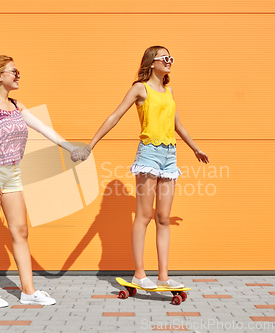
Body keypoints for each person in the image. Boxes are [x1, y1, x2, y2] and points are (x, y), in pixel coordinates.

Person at [74, 46, 209, 289]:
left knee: (164, 218)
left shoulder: (168, 91)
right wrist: (90, 145)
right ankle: (139, 274)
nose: (170, 62)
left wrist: (195, 148)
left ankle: (164, 277)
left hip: (170, 155)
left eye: (171, 58)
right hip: (149, 154)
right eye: (165, 58)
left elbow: (177, 124)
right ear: (151, 62)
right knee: (145, 215)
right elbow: (114, 116)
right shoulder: (140, 88)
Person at [0, 55, 82, 307]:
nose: (18, 75)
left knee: (20, 231)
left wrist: (70, 147)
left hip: (12, 173)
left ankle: (28, 291)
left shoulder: (16, 105)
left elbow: (43, 128)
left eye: (18, 71)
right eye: (13, 71)